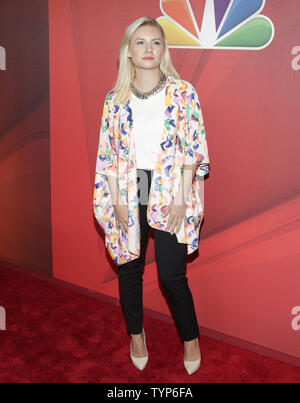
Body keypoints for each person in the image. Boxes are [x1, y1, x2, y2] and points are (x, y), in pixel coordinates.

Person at [93, 16, 209, 375]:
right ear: (128, 51)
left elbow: (194, 148)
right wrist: (117, 201)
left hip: (171, 186)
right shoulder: (115, 99)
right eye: (140, 42)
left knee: (172, 276)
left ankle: (190, 339)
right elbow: (107, 156)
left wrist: (180, 197)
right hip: (129, 187)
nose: (148, 49)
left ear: (164, 50)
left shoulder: (182, 92)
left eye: (155, 42)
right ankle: (137, 335)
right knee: (130, 269)